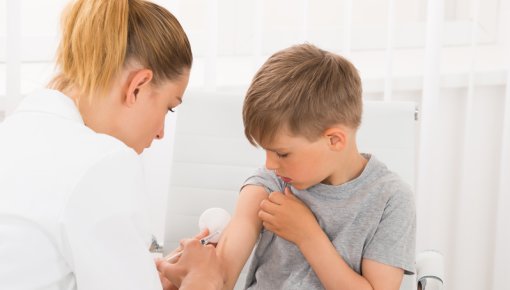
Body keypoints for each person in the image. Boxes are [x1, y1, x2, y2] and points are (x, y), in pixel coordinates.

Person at [0, 0, 222, 289]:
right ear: (137, 86)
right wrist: (204, 280)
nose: (160, 133)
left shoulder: (16, 130)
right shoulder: (103, 163)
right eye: (169, 108)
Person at [216, 43, 416, 290]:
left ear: (334, 140)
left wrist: (307, 235)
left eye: (282, 153)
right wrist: (200, 274)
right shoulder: (271, 183)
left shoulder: (391, 200)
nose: (269, 164)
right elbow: (225, 269)